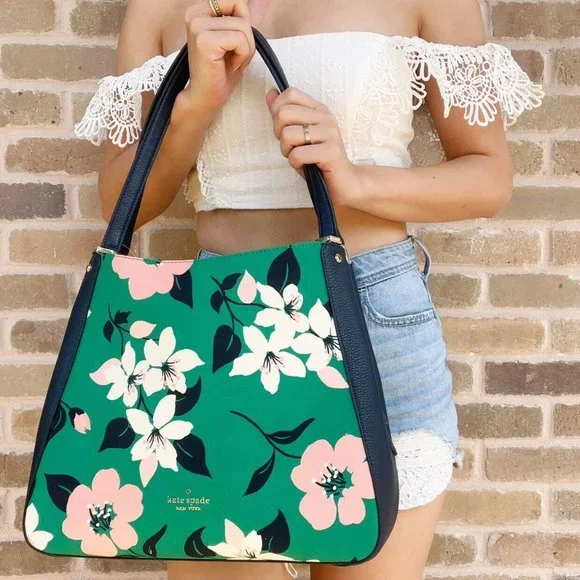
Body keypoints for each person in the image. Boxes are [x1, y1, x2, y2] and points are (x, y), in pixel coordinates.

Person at [73, 0, 544, 578]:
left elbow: (489, 176)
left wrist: (355, 181)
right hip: (220, 338)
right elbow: (121, 202)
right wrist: (194, 107)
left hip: (373, 324)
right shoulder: (159, 9)